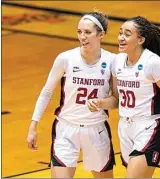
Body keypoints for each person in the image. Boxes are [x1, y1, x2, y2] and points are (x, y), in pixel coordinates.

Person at [87, 16, 160, 178]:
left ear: (140, 40)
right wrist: (100, 102)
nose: (121, 38)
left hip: (150, 127)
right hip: (125, 127)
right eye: (120, 33)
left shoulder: (153, 63)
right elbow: (117, 100)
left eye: (127, 34)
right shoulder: (117, 62)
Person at [26, 11, 117, 178]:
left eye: (88, 32)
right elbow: (47, 92)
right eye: (79, 32)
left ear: (101, 34)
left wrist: (103, 103)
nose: (82, 37)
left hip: (96, 129)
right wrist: (33, 125)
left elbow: (116, 100)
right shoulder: (65, 58)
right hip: (66, 129)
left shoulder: (113, 61)